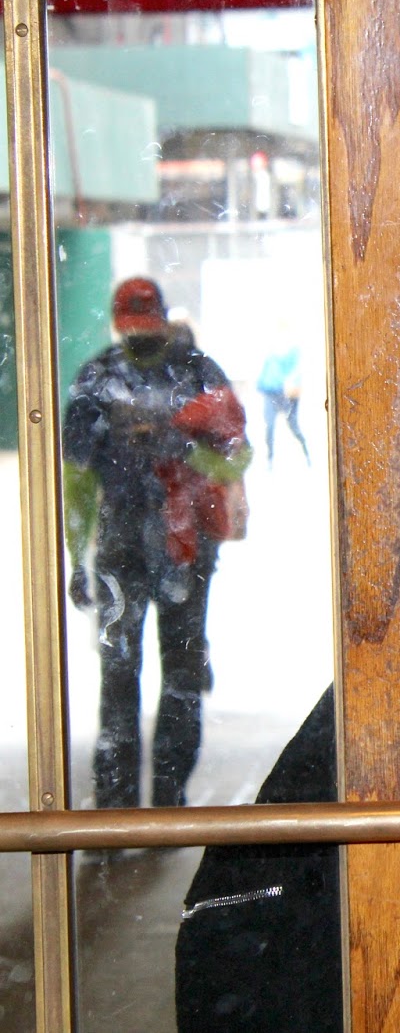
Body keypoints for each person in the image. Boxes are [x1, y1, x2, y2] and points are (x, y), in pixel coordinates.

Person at [63, 277, 251, 810]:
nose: (141, 340)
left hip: (180, 547)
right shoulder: (131, 376)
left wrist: (181, 448)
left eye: (146, 329)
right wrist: (75, 557)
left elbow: (237, 456)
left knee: (174, 674)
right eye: (134, 331)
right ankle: (121, 803)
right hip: (131, 546)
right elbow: (77, 478)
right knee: (125, 673)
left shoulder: (175, 373)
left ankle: (164, 799)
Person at [256, 330, 311, 467]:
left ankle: (307, 455)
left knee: (293, 426)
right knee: (269, 426)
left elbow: (295, 371)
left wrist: (291, 385)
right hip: (269, 393)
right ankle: (269, 460)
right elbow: (264, 371)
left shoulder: (292, 352)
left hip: (284, 394)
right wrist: (261, 385)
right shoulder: (270, 353)